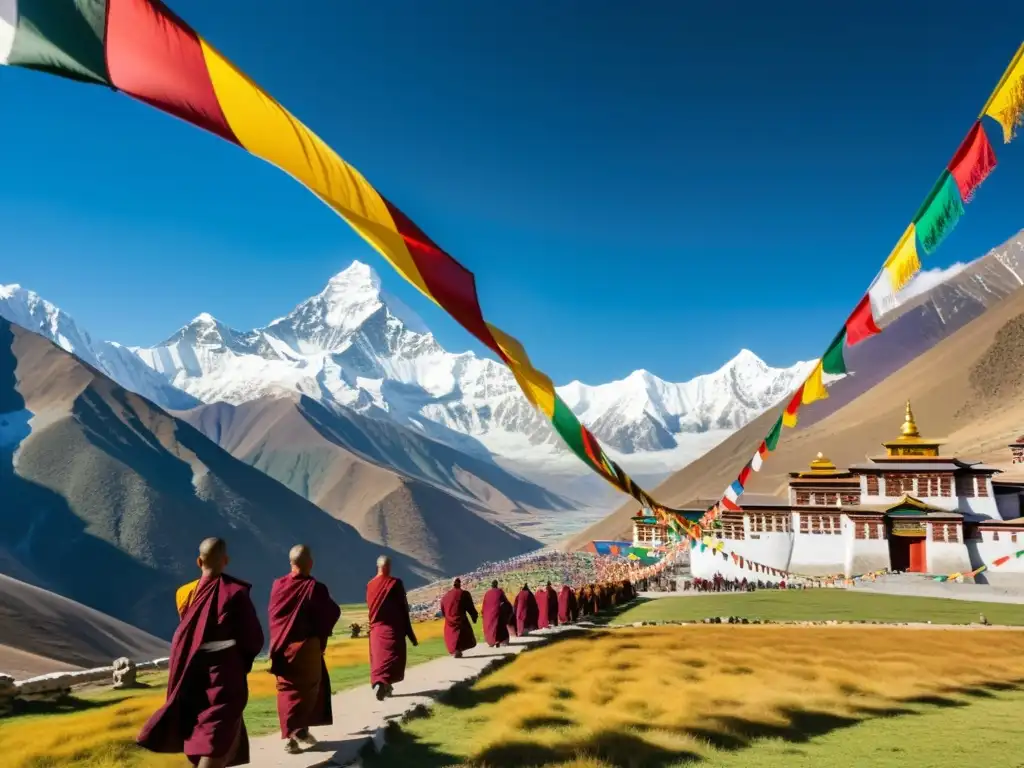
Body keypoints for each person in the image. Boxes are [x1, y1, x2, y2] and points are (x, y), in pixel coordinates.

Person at [138, 538, 264, 768]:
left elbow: (192, 630)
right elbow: (253, 637)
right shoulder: (235, 593)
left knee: (198, 721)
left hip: (192, 667)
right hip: (223, 670)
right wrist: (240, 659)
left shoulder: (184, 593)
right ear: (225, 561)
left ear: (198, 561)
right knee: (218, 723)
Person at [267, 545, 342, 755]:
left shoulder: (277, 586)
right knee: (308, 692)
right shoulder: (315, 588)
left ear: (291, 563)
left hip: (281, 649)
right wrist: (320, 636)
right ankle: (296, 734)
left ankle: (295, 733)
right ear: (311, 563)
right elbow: (332, 613)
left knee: (287, 693)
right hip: (306, 649)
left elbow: (275, 618)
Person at [366, 555, 417, 701]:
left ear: (378, 566)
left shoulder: (370, 585)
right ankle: (386, 685)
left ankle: (383, 684)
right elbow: (403, 609)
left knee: (379, 661)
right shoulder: (395, 583)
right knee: (393, 660)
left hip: (376, 631)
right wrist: (410, 634)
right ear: (388, 567)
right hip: (392, 630)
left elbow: (371, 608)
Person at [440, 578, 478, 658]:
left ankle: (456, 651)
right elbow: (470, 607)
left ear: (452, 585)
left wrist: (447, 618)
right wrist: (474, 616)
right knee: (462, 634)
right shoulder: (464, 593)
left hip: (449, 622)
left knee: (452, 636)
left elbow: (443, 611)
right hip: (461, 620)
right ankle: (458, 650)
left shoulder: (445, 596)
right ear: (460, 584)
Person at [481, 581, 513, 647]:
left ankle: (493, 641)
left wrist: (484, 614)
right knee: (500, 625)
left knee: (491, 627)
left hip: (488, 614)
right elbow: (506, 602)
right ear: (496, 585)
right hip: (497, 613)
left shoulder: (487, 593)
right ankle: (501, 641)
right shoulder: (499, 591)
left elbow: (484, 605)